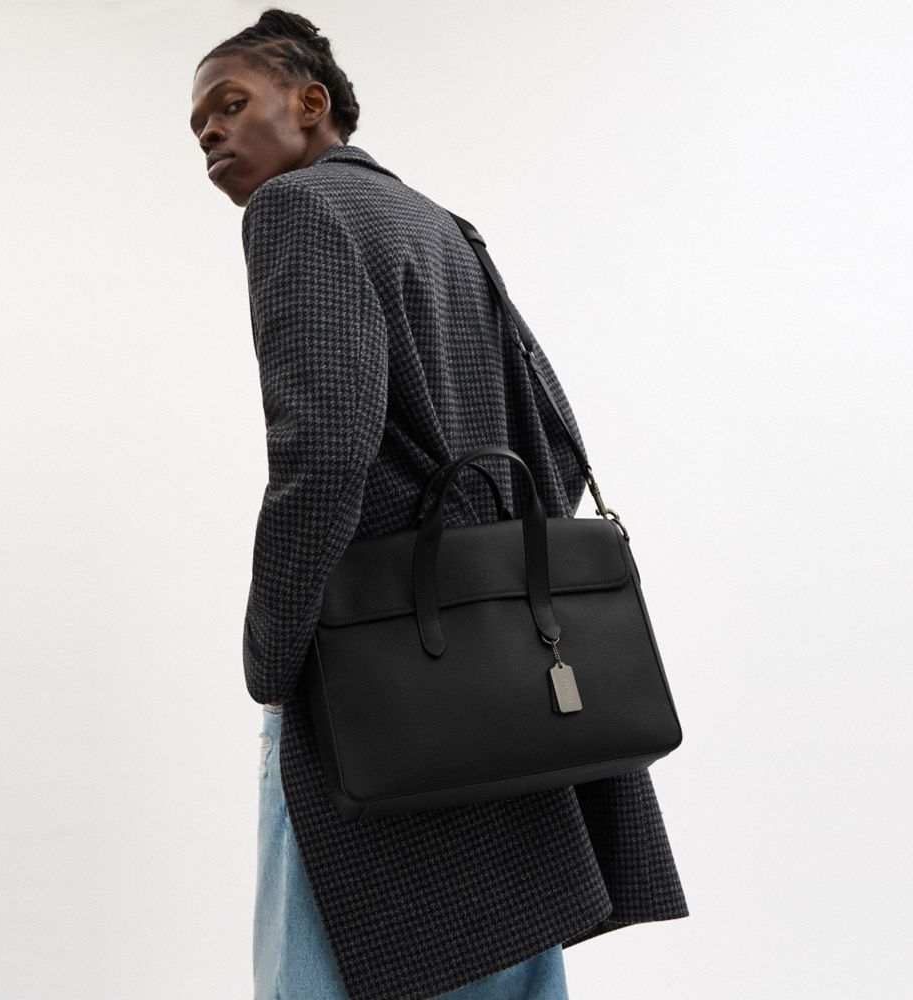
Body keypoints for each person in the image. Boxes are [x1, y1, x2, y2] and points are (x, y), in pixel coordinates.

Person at [190, 10, 689, 1000]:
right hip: (506, 692)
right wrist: (488, 589)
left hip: (372, 681)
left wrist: (271, 654)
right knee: (505, 959)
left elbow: (323, 449)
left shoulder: (296, 210)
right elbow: (549, 437)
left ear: (311, 102)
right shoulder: (441, 224)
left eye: (230, 104)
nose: (208, 132)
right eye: (197, 125)